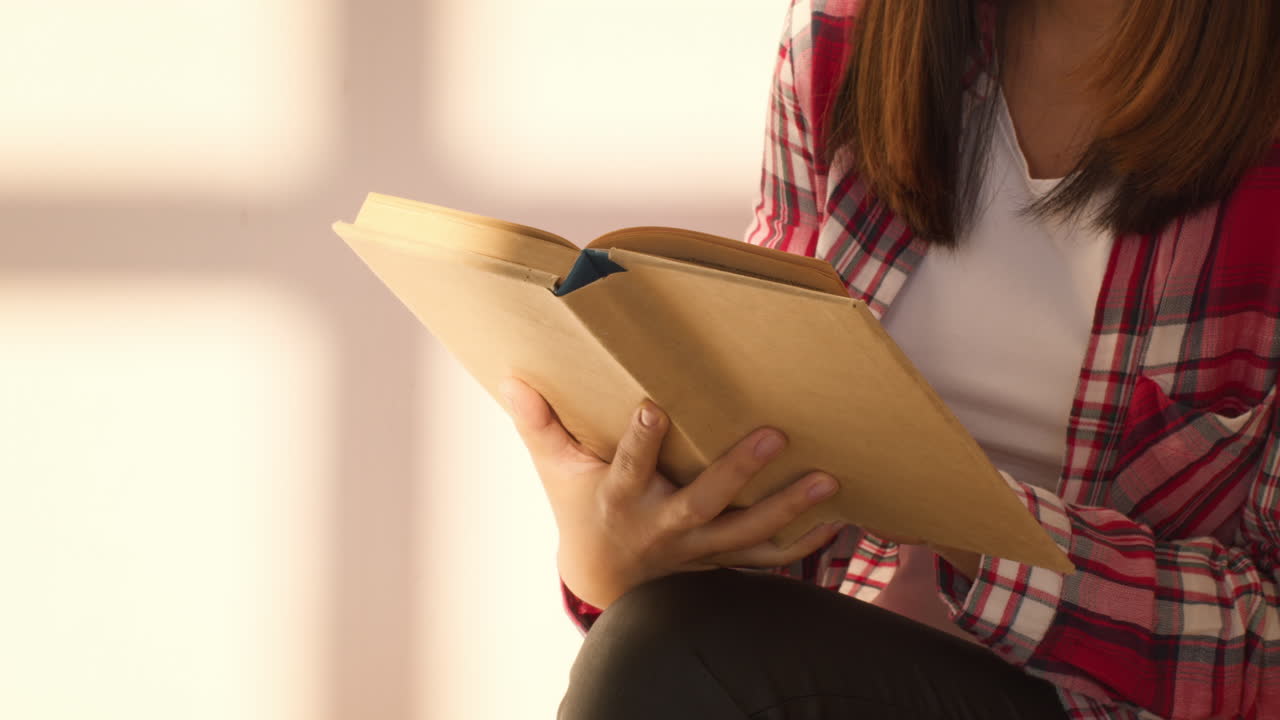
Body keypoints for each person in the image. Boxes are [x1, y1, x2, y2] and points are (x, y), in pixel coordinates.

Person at [500, 0, 1280, 717]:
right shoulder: (846, 34)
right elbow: (778, 497)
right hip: (844, 666)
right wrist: (618, 552)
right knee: (656, 643)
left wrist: (975, 525)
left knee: (670, 656)